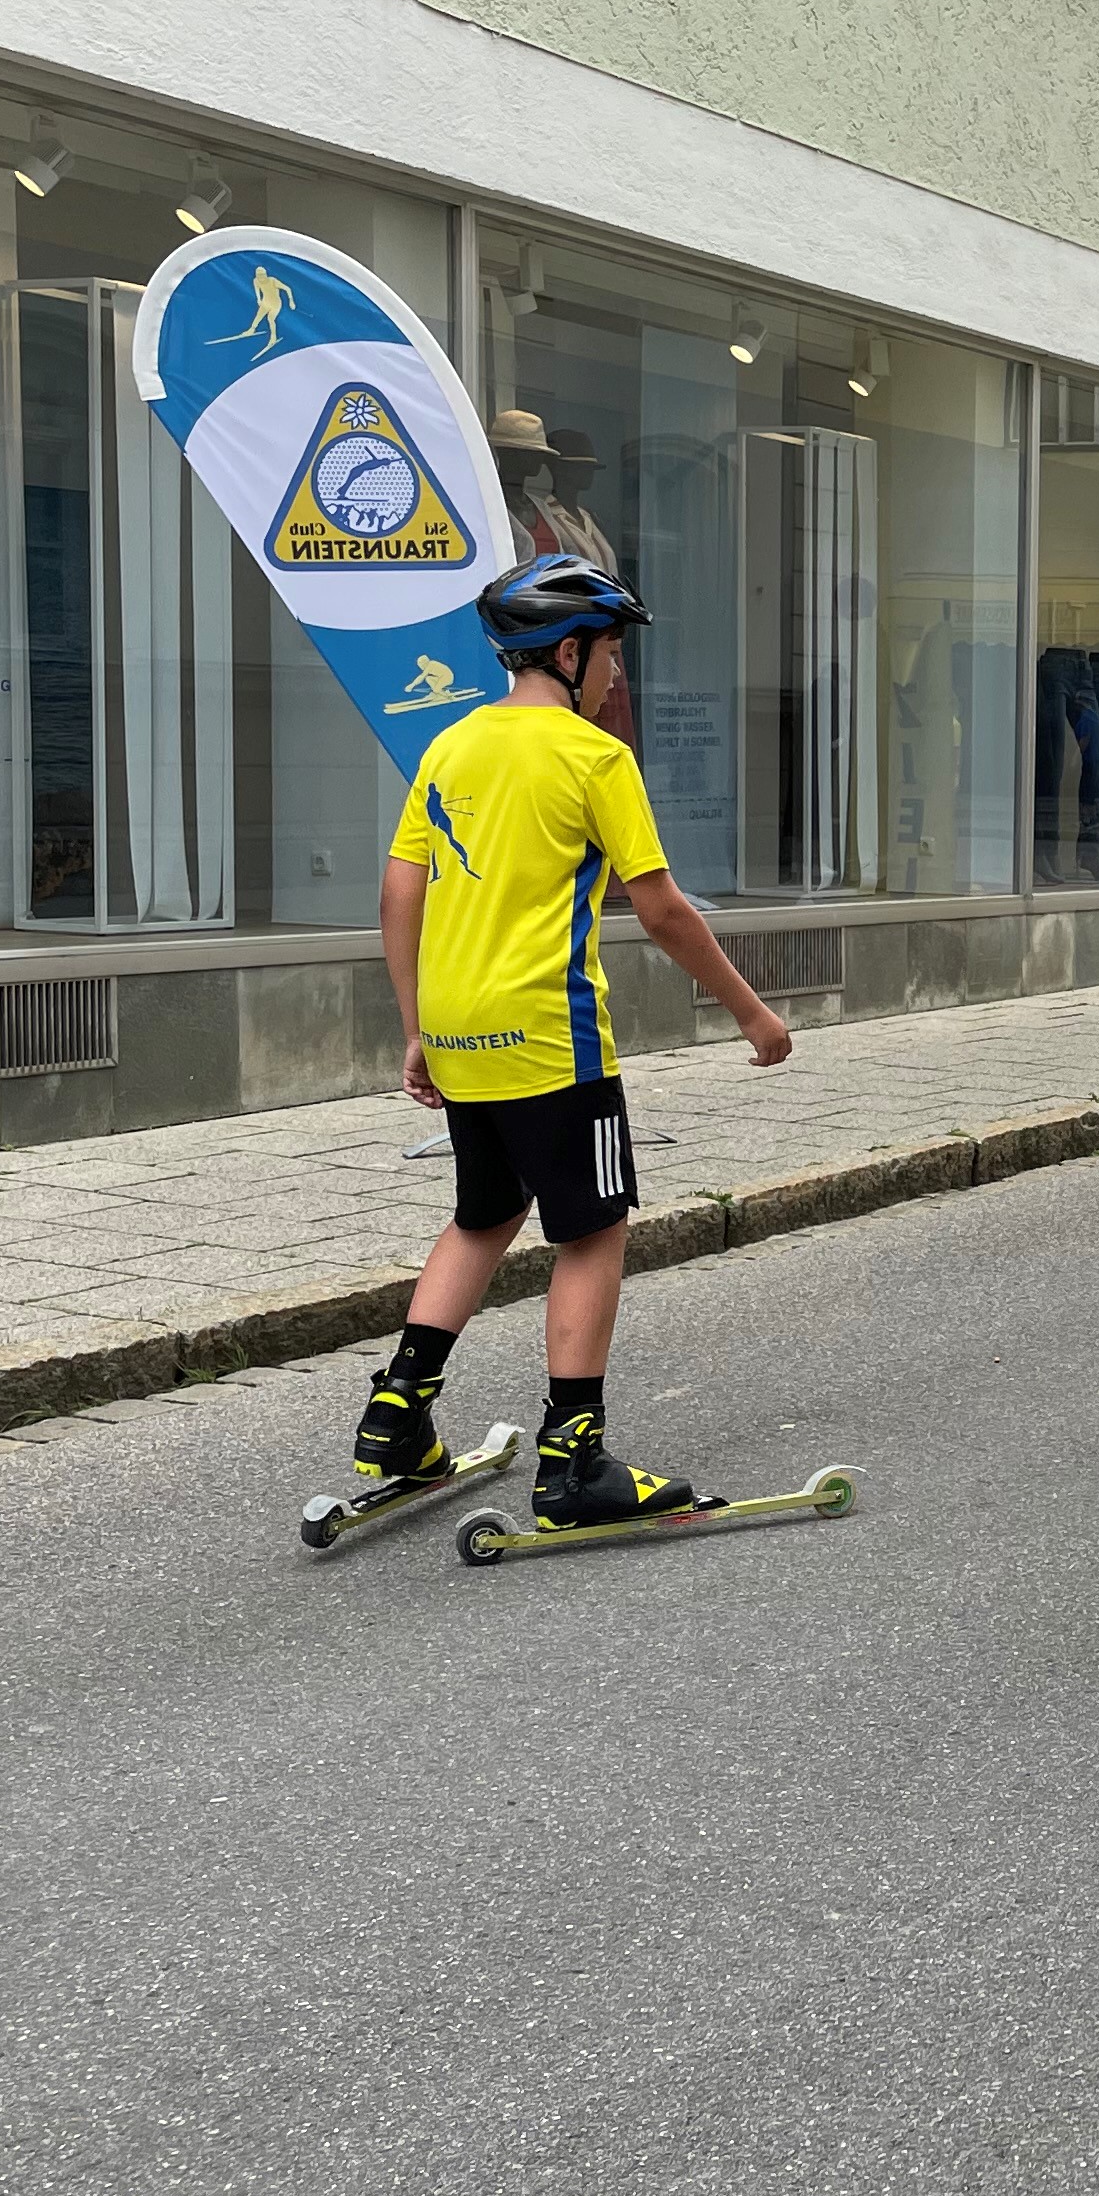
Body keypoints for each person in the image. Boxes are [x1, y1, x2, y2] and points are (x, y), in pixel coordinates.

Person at [352, 556, 793, 1529]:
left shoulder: (451, 748)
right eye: (611, 654)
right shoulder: (595, 758)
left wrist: (417, 1026)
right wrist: (752, 1013)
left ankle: (398, 1412)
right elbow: (663, 908)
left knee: (485, 1212)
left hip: (462, 1030)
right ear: (569, 649)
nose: (615, 675)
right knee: (592, 1231)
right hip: (552, 1038)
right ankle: (574, 1460)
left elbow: (398, 891)